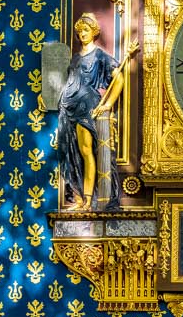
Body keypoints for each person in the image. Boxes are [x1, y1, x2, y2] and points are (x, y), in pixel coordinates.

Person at [57, 14, 137, 211]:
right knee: (73, 153)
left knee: (86, 152)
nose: (82, 34)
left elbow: (119, 79)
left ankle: (87, 199)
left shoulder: (100, 55)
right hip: (69, 108)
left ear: (94, 33)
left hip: (87, 107)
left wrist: (108, 104)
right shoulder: (76, 58)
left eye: (86, 30)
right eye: (80, 31)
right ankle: (78, 198)